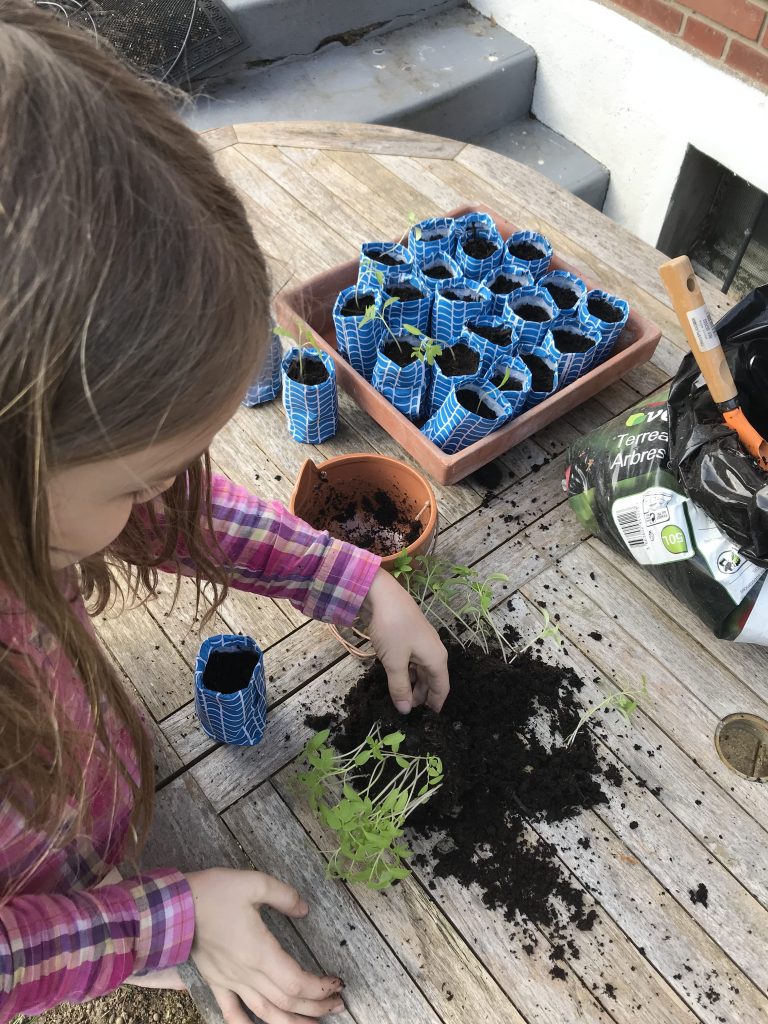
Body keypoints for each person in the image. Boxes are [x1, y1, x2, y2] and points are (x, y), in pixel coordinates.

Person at [0, 4, 449, 1023]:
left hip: (85, 799)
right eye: (135, 482)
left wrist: (358, 583)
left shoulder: (38, 503)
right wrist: (160, 924)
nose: (160, 503)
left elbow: (177, 518)